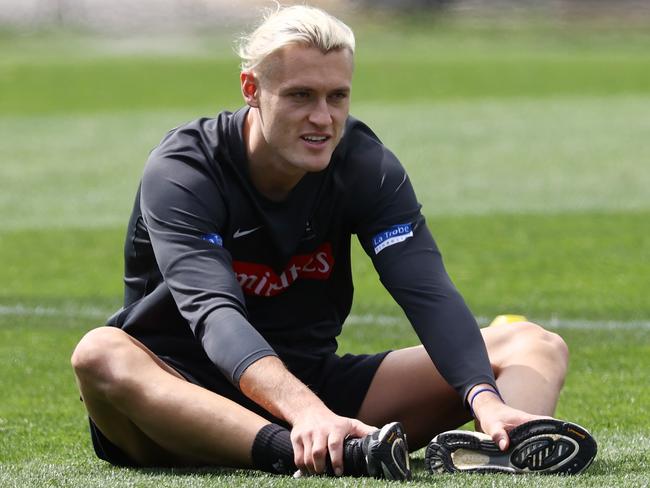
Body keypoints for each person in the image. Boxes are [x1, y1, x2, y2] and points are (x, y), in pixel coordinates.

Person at [70, 4, 596, 479]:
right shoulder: (185, 170)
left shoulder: (363, 165)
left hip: (315, 388)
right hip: (179, 399)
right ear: (251, 89)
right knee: (100, 353)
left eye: (336, 96)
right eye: (301, 96)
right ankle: (317, 451)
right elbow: (216, 314)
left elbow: (425, 288)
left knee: (531, 344)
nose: (323, 118)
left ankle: (499, 446)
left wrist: (484, 396)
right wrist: (307, 414)